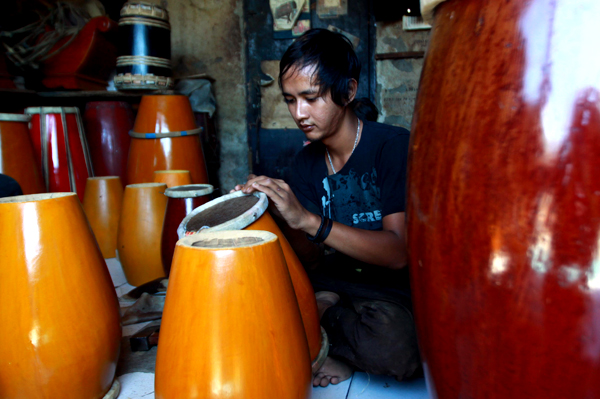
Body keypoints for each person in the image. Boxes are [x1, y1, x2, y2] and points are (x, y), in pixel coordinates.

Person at [232, 28, 420, 387]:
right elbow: (314, 259)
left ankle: (326, 332)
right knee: (251, 318)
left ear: (348, 91)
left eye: (311, 98)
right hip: (331, 280)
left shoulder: (391, 147)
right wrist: (278, 214)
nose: (299, 113)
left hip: (386, 290)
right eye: (290, 100)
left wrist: (309, 220)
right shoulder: (305, 164)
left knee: (397, 348)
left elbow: (399, 253)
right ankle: (326, 322)